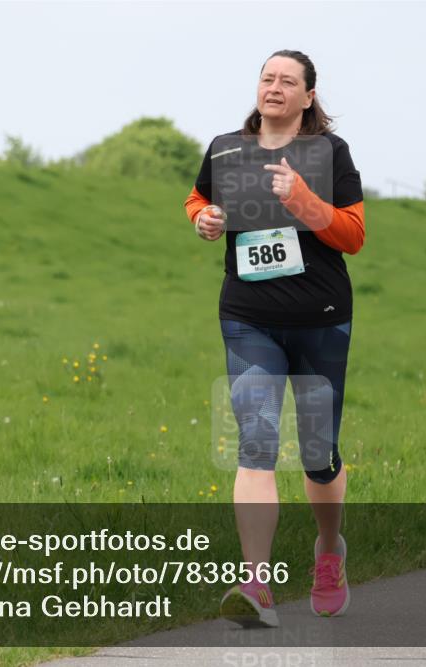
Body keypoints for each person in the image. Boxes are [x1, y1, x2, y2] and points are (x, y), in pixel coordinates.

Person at [183, 49, 365, 628]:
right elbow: (199, 197)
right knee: (256, 444)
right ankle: (256, 586)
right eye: (268, 78)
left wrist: (302, 198)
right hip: (248, 317)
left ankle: (329, 552)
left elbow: (354, 234)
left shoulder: (329, 152)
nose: (275, 87)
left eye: (288, 81)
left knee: (318, 454)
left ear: (308, 97)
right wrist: (203, 219)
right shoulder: (225, 149)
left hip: (320, 318)